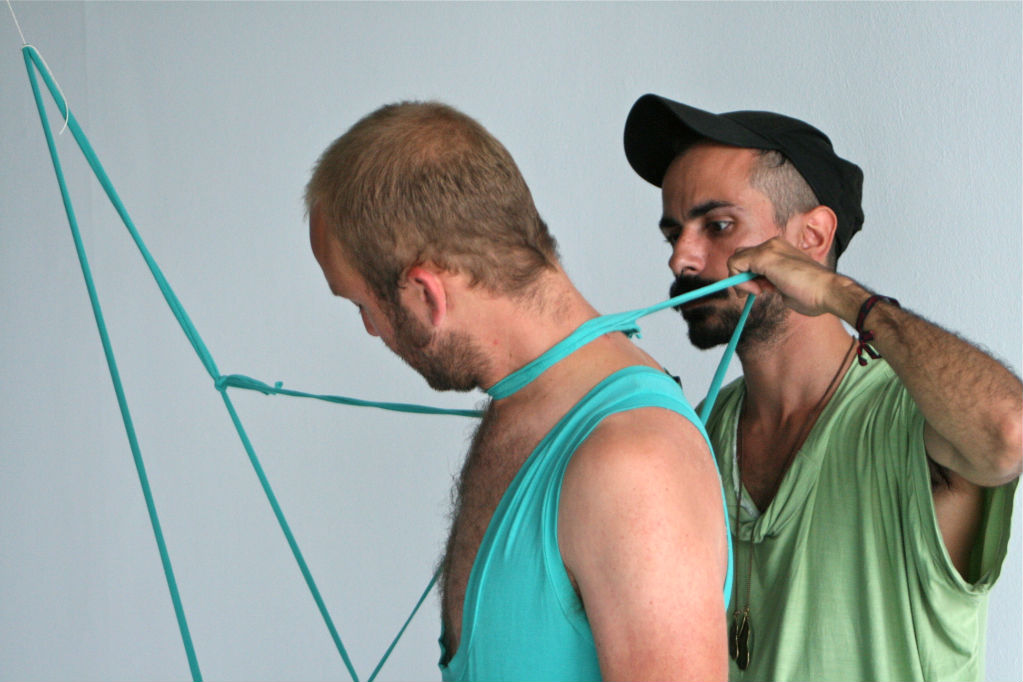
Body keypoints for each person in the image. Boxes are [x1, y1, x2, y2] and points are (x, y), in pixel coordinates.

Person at [305, 101, 731, 681]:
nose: (370, 329)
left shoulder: (634, 464)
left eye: (362, 304)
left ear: (426, 295)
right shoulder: (525, 399)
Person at [622, 93, 1022, 681]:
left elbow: (1008, 432)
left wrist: (841, 294)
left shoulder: (907, 417)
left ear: (811, 237)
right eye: (674, 234)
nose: (682, 258)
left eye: (718, 226)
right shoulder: (702, 429)